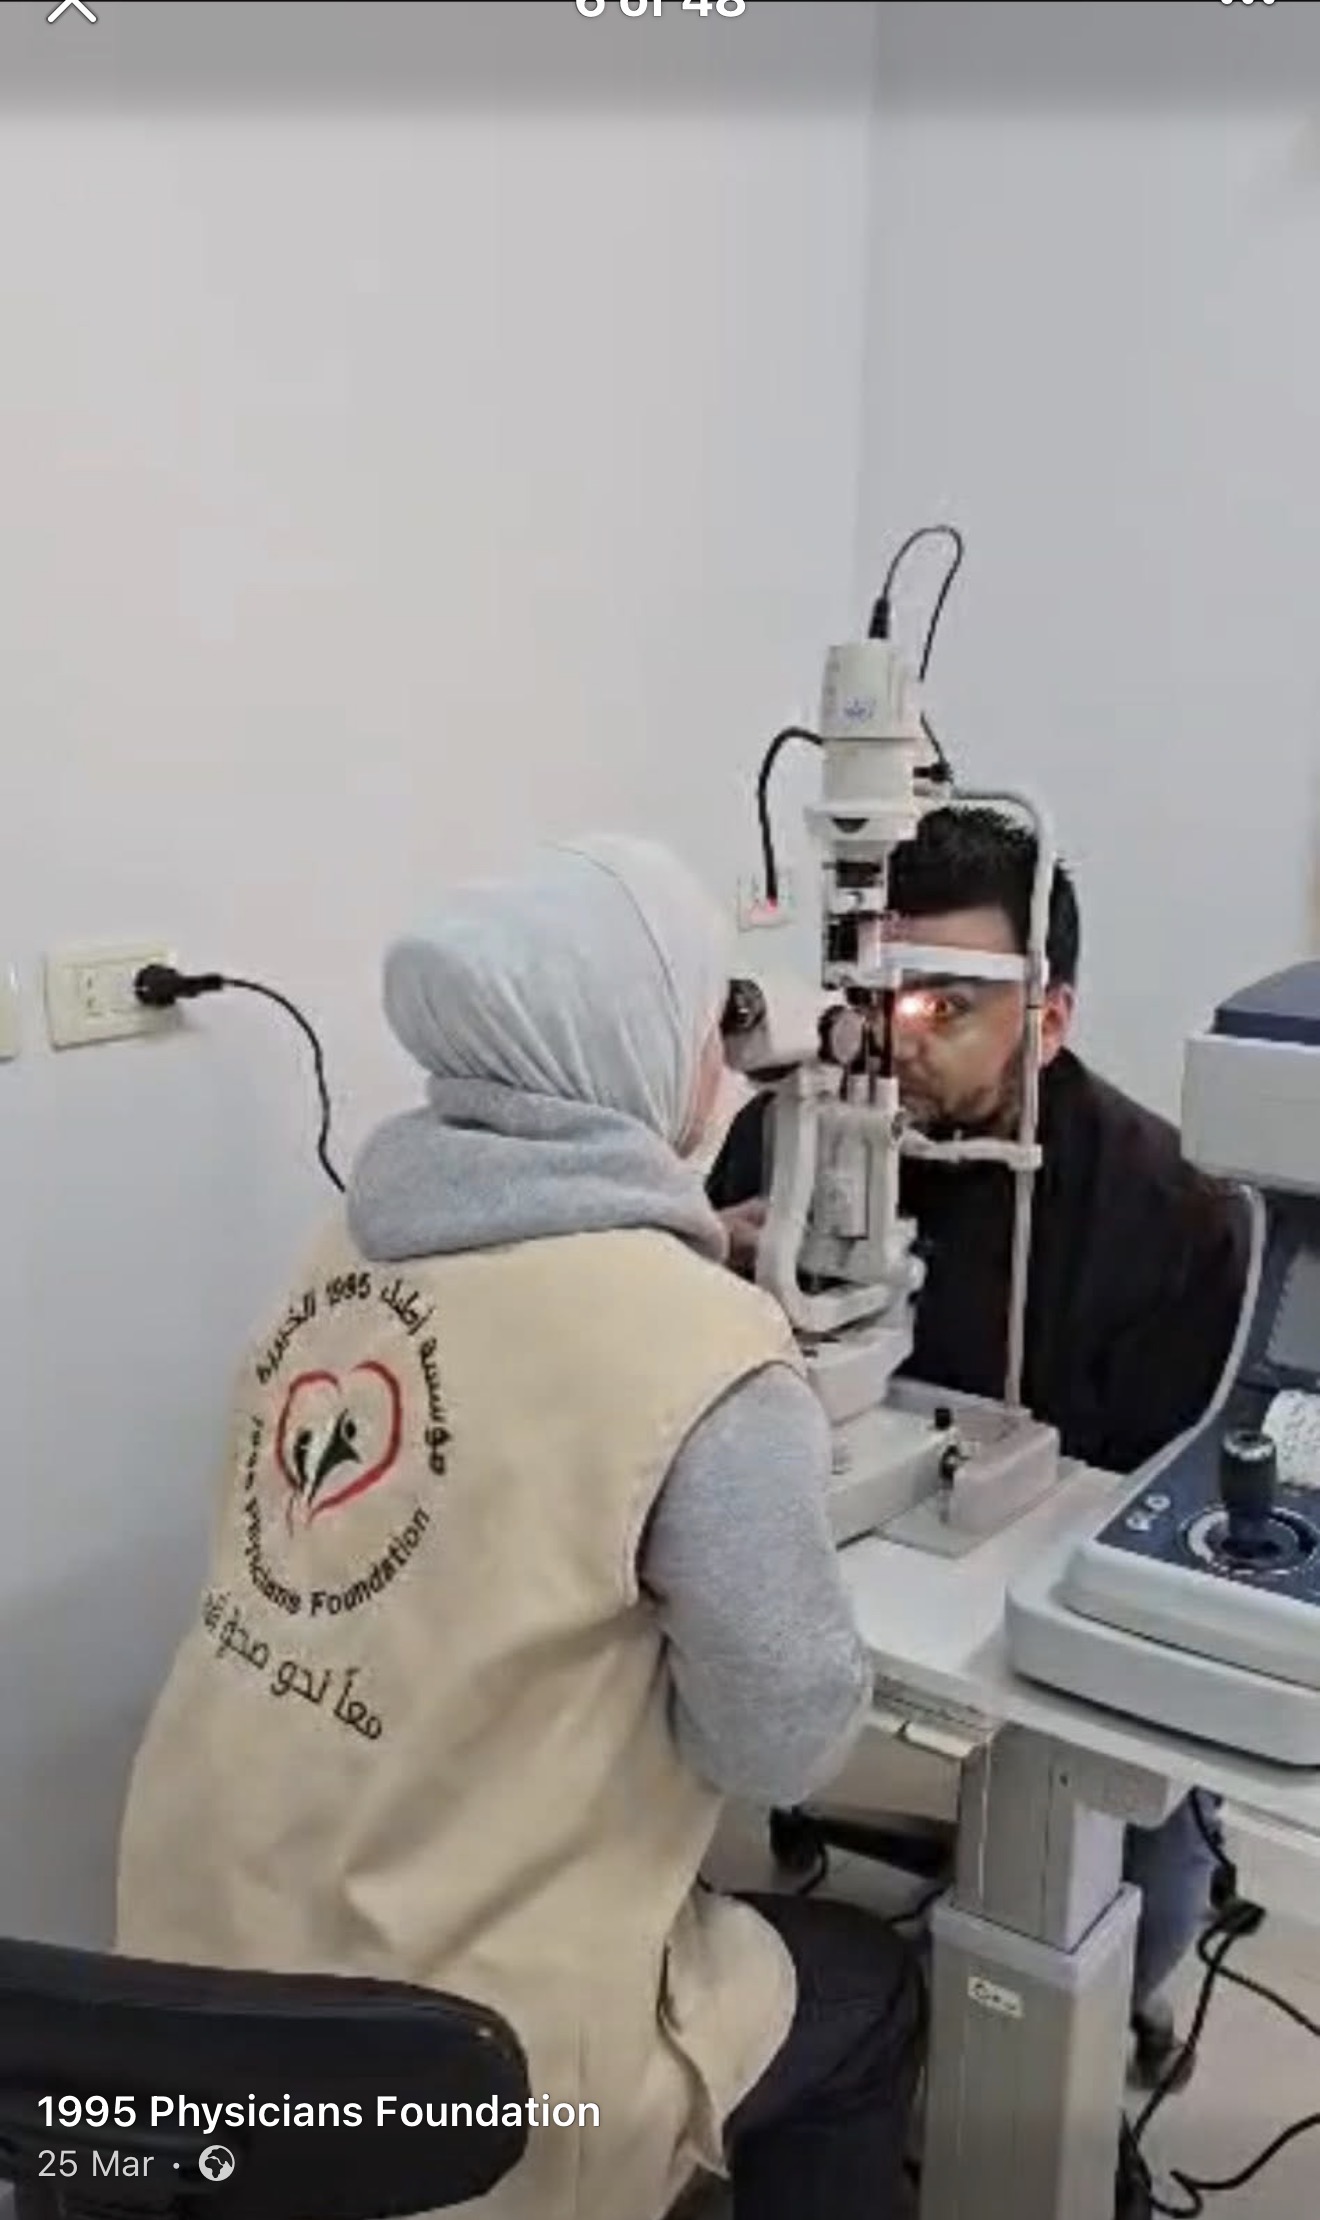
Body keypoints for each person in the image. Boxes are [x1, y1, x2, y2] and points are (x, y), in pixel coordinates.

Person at [114, 834, 922, 2220]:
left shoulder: (342, 1251)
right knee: (872, 1991)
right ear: (632, 1047)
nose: (723, 1062)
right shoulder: (704, 1350)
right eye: (707, 1023)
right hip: (463, 2070)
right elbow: (776, 1745)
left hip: (192, 1989)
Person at [708, 806, 1250, 2065]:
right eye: (877, 993)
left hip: (1045, 1610)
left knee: (1131, 1921)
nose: (892, 1036)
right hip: (843, 1562)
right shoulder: (794, 1131)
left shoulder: (1171, 1216)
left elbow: (1159, 1531)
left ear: (1046, 1018)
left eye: (945, 1004)